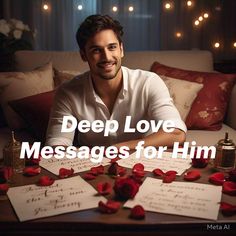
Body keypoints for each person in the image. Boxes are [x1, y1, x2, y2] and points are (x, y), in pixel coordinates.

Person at [46, 14, 186, 150]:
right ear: (83, 55)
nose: (106, 57)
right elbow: (57, 143)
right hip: (91, 166)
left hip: (140, 162)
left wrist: (120, 148)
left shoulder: (149, 82)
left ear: (121, 49)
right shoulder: (67, 93)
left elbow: (176, 133)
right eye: (96, 50)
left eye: (112, 47)